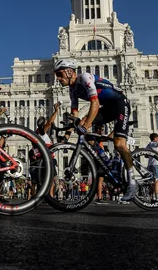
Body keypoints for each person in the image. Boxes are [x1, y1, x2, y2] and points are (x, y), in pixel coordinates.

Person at [52, 59, 137, 202]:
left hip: (120, 103)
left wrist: (85, 126)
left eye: (60, 74)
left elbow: (95, 104)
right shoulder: (72, 90)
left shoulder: (85, 78)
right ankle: (105, 159)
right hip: (108, 108)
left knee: (119, 144)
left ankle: (132, 182)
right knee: (83, 128)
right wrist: (67, 135)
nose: (58, 79)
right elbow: (75, 116)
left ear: (69, 71)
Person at [28, 102, 60, 200]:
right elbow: (50, 122)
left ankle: (35, 198)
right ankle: (50, 197)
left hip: (40, 159)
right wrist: (56, 111)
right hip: (46, 159)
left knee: (37, 180)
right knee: (50, 179)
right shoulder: (42, 132)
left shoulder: (36, 133)